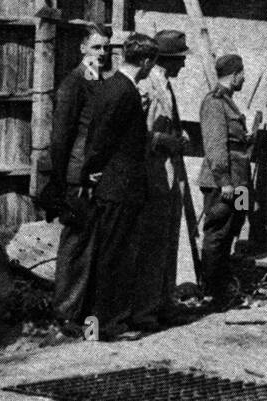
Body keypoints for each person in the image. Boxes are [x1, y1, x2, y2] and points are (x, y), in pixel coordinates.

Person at [80, 33, 159, 339]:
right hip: (120, 187)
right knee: (115, 257)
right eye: (152, 63)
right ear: (146, 61)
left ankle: (97, 327)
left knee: (109, 254)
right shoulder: (123, 91)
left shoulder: (111, 85)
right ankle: (107, 327)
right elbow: (101, 139)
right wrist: (91, 171)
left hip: (115, 185)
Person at [47, 24, 110, 330]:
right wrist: (62, 180)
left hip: (94, 175)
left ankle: (83, 314)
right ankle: (66, 314)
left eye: (105, 48)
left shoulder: (97, 81)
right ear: (83, 48)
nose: (102, 53)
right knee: (75, 247)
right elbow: (60, 138)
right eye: (96, 47)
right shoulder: (73, 84)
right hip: (77, 177)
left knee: (90, 246)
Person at [132, 30, 191, 331]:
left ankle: (164, 302)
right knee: (152, 244)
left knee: (167, 240)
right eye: (181, 59)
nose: (184, 65)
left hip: (167, 172)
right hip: (151, 173)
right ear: (168, 59)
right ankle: (144, 311)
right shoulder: (146, 86)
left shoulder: (165, 85)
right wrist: (168, 141)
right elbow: (137, 134)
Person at [199, 54, 253, 309]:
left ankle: (225, 287)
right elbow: (215, 145)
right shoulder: (215, 102)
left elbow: (236, 145)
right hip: (225, 183)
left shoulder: (230, 102)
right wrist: (224, 181)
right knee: (217, 233)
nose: (244, 78)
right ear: (234, 75)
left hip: (241, 183)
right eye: (242, 74)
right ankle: (211, 291)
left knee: (234, 228)